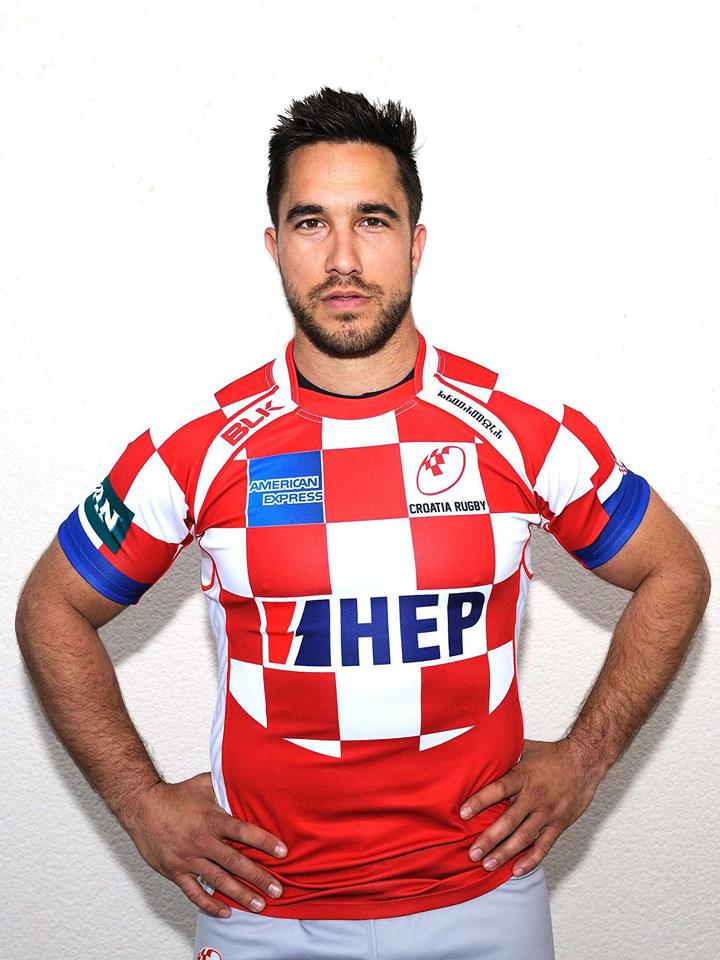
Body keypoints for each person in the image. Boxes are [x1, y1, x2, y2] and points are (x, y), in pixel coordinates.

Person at [15, 86, 710, 960]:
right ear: (274, 246)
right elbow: (50, 607)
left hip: (486, 904)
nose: (343, 257)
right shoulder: (199, 446)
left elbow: (675, 571)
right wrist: (140, 803)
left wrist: (585, 758)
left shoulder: (523, 430)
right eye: (311, 223)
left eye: (372, 221)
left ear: (416, 242)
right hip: (264, 915)